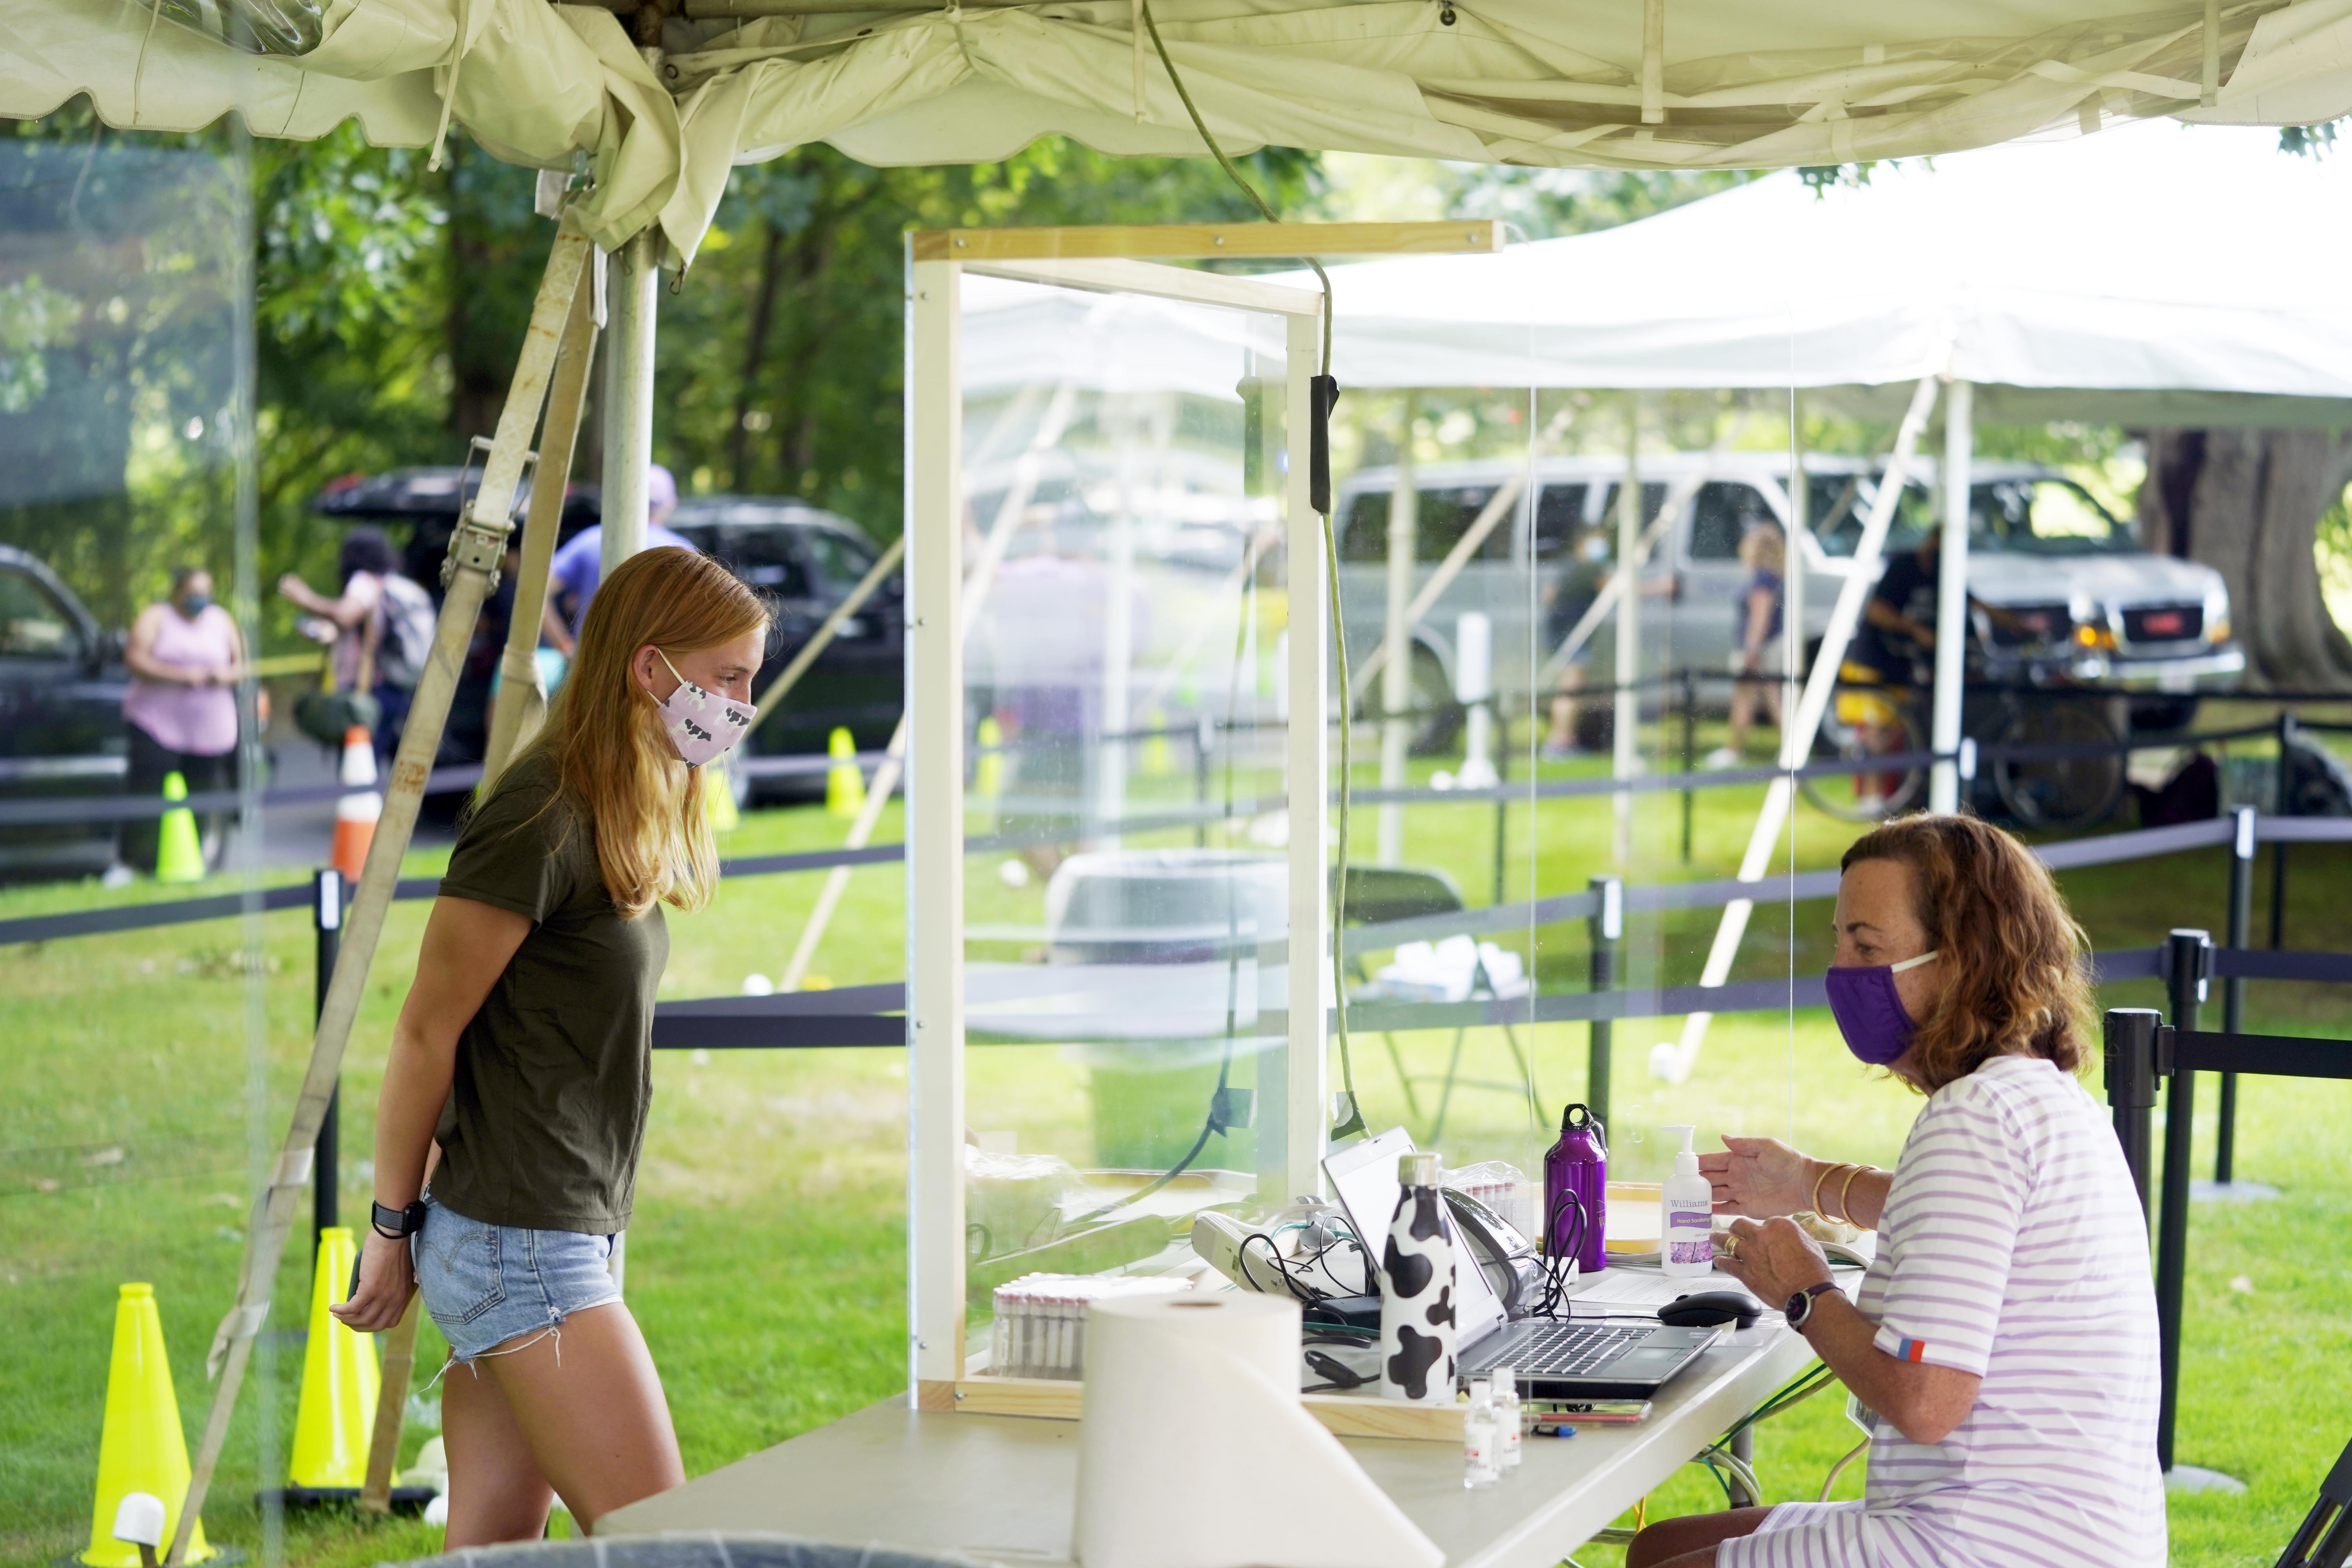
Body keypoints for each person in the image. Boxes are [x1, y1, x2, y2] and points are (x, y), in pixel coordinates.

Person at [330, 547, 770, 1540]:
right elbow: (426, 1030)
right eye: (731, 675)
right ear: (650, 668)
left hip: (538, 1230)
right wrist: (392, 1230)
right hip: (521, 1244)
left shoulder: (612, 805)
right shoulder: (539, 816)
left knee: (491, 1546)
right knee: (666, 1541)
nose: (746, 701)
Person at [1624, 813, 2163, 1568]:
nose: (1841, 968)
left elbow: (1926, 1402)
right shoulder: (2039, 1096)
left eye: (1866, 946)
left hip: (1990, 1541)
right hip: (2068, 1532)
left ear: (1962, 959)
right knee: (1659, 1548)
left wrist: (1804, 1291)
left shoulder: (1974, 1119)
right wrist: (1808, 1182)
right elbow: (1954, 1216)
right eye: (1841, 939)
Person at [116, 566, 245, 875]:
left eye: (205, 594)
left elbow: (240, 666)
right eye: (193, 594)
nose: (199, 600)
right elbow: (135, 657)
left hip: (209, 731)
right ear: (177, 592)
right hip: (156, 725)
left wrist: (222, 675)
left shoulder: (220, 620)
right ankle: (137, 864)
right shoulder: (156, 617)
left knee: (202, 794)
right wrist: (180, 676)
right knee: (147, 792)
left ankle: (197, 861)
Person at [542, 464, 694, 659]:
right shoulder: (681, 551)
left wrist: (564, 645)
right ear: (670, 504)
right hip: (655, 669)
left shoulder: (591, 540)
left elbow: (537, 592)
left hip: (591, 664)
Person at [279, 528, 405, 762]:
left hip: (367, 689)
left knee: (359, 766)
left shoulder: (364, 582)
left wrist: (305, 598)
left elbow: (345, 615)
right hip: (391, 686)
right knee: (374, 763)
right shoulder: (388, 583)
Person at [1707, 519, 1785, 767]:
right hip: (1767, 646)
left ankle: (1734, 749)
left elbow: (1760, 615)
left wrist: (1751, 648)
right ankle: (1788, 747)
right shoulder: (1772, 576)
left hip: (1757, 648)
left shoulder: (1763, 578)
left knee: (1756, 698)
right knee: (1768, 698)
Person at [1540, 527, 1610, 760]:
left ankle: (1565, 742)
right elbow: (1615, 589)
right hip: (1572, 635)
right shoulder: (1588, 568)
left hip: (1563, 633)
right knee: (1570, 689)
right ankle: (1558, 744)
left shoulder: (1570, 567)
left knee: (1572, 689)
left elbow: (1548, 595)